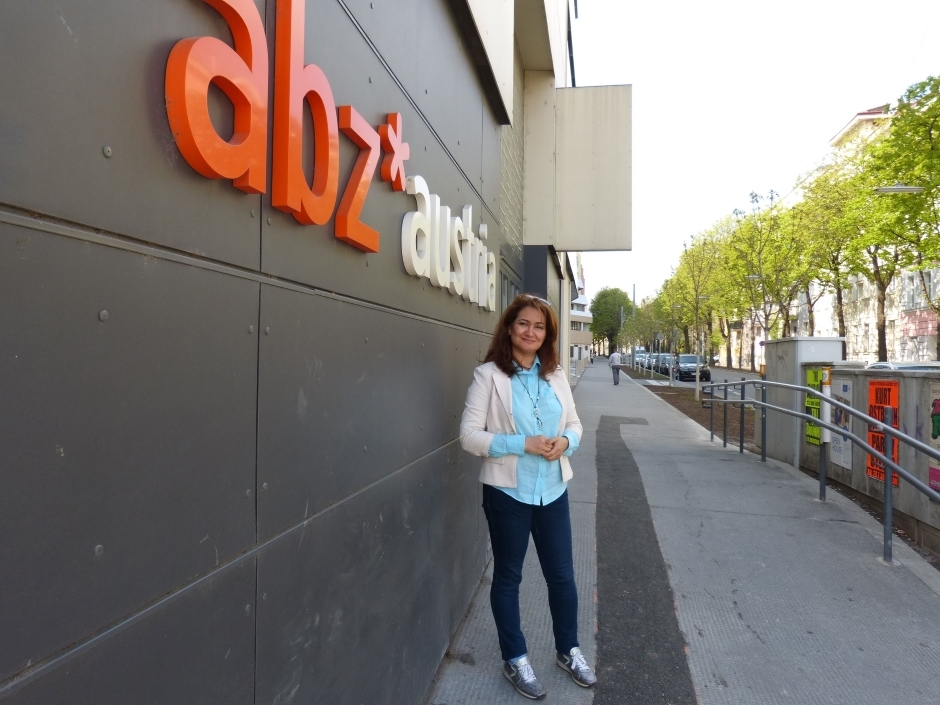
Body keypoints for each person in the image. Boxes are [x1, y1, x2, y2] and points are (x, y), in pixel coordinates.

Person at [460, 294, 596, 700]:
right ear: (509, 328)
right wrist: (525, 443)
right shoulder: (488, 376)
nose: (531, 332)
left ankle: (568, 650)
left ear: (547, 334)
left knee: (562, 577)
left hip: (553, 490)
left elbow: (574, 423)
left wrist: (565, 442)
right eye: (524, 324)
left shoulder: (555, 375)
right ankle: (515, 657)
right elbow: (469, 437)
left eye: (539, 327)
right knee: (508, 577)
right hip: (508, 493)